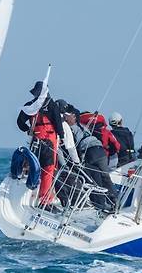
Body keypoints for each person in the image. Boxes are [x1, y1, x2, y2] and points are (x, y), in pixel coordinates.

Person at [17, 81, 65, 210]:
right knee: (48, 170)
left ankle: (26, 191)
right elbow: (58, 124)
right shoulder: (52, 105)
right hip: (49, 141)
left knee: (34, 166)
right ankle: (44, 201)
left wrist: (28, 129)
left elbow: (19, 122)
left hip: (35, 140)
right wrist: (63, 137)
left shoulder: (30, 106)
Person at [63, 104, 118, 211]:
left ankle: (99, 205)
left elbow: (71, 146)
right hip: (100, 150)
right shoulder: (84, 127)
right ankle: (114, 201)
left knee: (91, 180)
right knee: (106, 178)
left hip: (89, 152)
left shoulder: (68, 128)